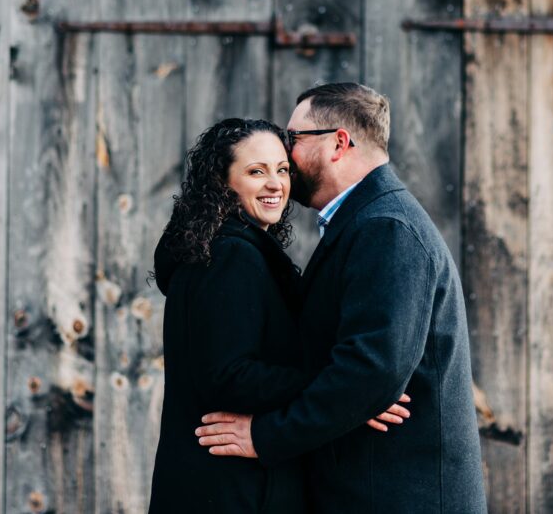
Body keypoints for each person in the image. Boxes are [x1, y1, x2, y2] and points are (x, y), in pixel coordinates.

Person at [196, 84, 487, 513]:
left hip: (399, 497)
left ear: (338, 143)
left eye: (293, 139)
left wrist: (265, 436)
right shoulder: (361, 221)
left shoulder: (387, 227)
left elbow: (372, 369)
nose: (285, 152)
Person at [148, 118, 409, 514]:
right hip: (230, 489)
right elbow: (229, 374)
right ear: (223, 182)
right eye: (256, 172)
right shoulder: (229, 256)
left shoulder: (226, 249)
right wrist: (347, 390)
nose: (275, 184)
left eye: (282, 169)